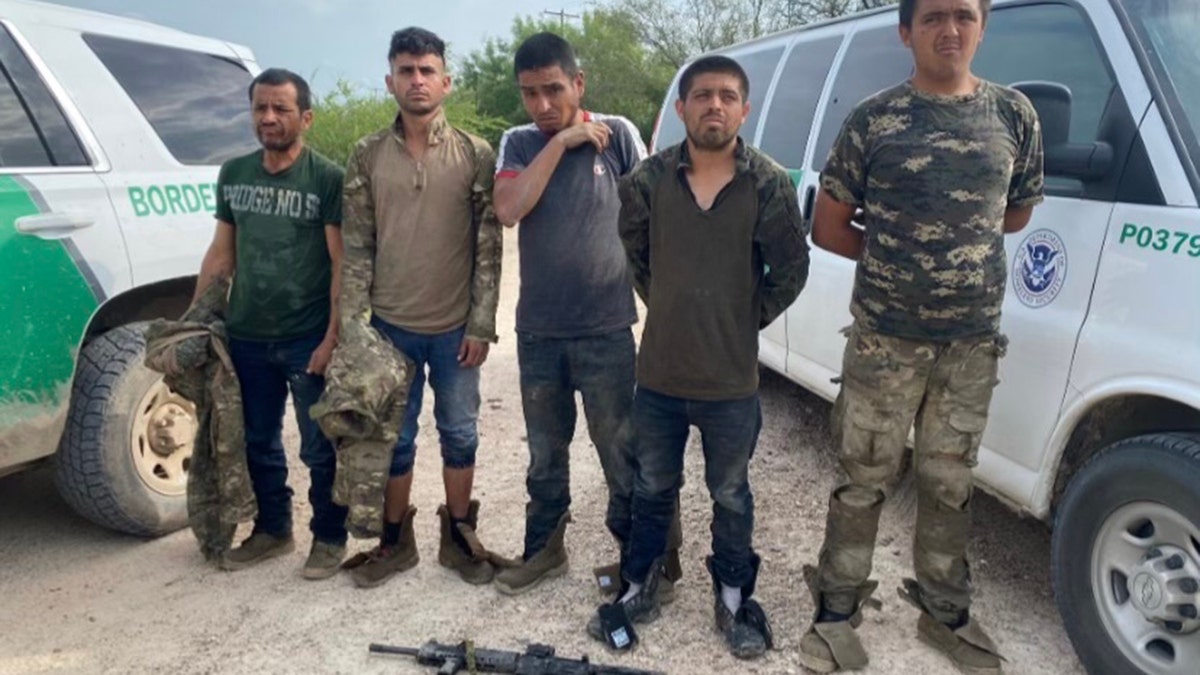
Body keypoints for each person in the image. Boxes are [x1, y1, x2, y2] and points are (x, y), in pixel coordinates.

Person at [796, 0, 1044, 672]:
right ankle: (836, 610)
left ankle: (944, 610)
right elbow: (829, 225)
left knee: (949, 479)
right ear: (906, 32)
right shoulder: (874, 119)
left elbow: (1014, 211)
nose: (949, 30)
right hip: (886, 341)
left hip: (970, 343)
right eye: (933, 17)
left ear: (983, 27)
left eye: (964, 15)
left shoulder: (1014, 115)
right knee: (863, 476)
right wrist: (898, 262)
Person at [593, 55, 809, 659]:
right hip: (660, 378)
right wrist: (670, 305)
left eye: (728, 96)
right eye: (703, 95)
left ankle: (734, 596)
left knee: (731, 493)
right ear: (682, 107)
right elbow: (637, 257)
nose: (715, 105)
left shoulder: (768, 183)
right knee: (651, 487)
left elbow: (792, 269)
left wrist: (741, 319)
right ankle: (640, 585)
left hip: (731, 384)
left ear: (745, 108)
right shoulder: (647, 181)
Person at [490, 32, 671, 598]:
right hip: (538, 333)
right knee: (545, 457)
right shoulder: (520, 142)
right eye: (530, 93)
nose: (542, 104)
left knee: (622, 453)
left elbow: (656, 211)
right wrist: (563, 141)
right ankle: (544, 552)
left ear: (579, 83)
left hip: (606, 330)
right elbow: (509, 208)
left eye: (554, 90)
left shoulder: (618, 134)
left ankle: (645, 564)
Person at [338, 27, 502, 588]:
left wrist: (482, 322)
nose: (417, 81)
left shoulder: (475, 154)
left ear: (445, 82)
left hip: (455, 329)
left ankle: (459, 536)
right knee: (395, 439)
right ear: (390, 81)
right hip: (389, 331)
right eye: (406, 71)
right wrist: (355, 330)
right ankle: (394, 542)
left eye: (427, 71)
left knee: (460, 433)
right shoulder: (366, 155)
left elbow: (488, 247)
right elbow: (357, 247)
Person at [195, 68, 348, 579]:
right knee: (257, 440)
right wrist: (196, 321)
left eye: (281, 108)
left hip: (307, 337)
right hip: (247, 337)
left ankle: (329, 536)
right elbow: (222, 253)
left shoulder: (326, 178)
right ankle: (273, 530)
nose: (268, 117)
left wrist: (332, 337)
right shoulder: (234, 174)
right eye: (260, 107)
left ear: (306, 117)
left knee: (319, 446)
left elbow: (341, 263)